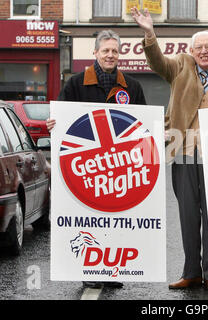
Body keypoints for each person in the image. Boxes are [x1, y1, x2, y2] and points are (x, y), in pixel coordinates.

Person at [131, 7, 208, 292]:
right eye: (199, 47)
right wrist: (149, 33)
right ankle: (191, 272)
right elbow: (157, 62)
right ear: (191, 50)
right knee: (187, 215)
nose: (204, 51)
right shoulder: (180, 66)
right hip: (183, 151)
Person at [47, 29, 147, 289]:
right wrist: (53, 124)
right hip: (87, 164)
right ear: (95, 53)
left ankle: (111, 269)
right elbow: (62, 118)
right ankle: (91, 268)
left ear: (119, 54)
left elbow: (143, 125)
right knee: (89, 215)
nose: (110, 55)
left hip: (120, 166)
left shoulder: (132, 86)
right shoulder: (76, 83)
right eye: (106, 50)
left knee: (116, 216)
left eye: (115, 51)